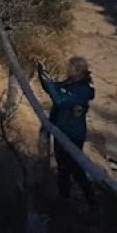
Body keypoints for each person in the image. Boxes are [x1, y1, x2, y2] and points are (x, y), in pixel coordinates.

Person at [37, 56, 97, 208]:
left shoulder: (82, 91)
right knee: (62, 166)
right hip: (60, 131)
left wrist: (51, 86)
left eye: (70, 68)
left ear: (78, 71)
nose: (67, 70)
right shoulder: (68, 83)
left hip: (73, 135)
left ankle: (92, 200)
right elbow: (51, 89)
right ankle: (64, 197)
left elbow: (60, 101)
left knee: (74, 167)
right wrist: (42, 75)